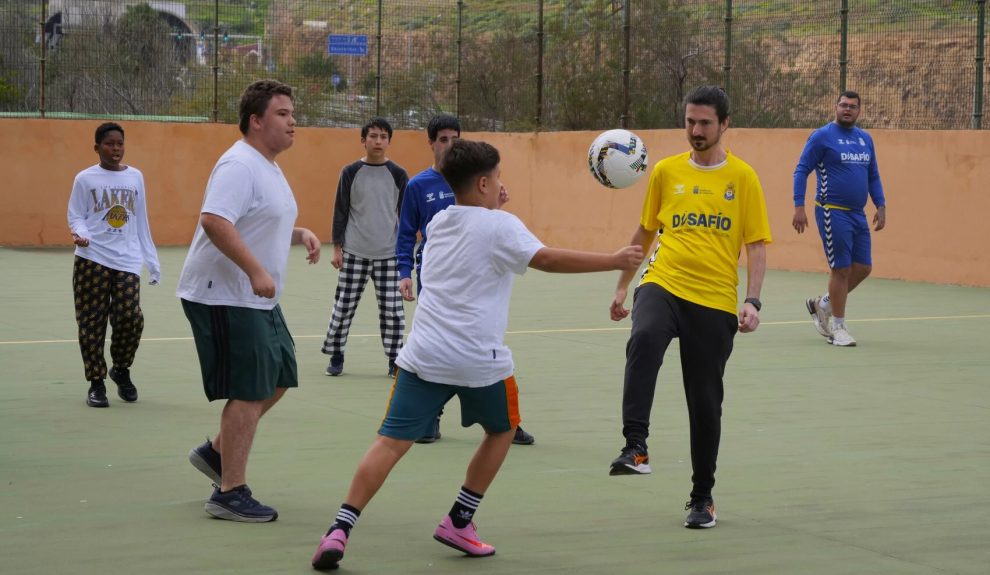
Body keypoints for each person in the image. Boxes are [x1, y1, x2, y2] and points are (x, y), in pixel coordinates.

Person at [310, 139, 643, 570]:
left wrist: (490, 204)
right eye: (498, 178)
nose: (502, 185)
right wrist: (613, 259)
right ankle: (459, 519)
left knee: (390, 444)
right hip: (479, 360)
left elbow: (478, 226)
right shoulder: (502, 228)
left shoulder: (440, 222)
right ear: (485, 182)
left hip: (423, 354)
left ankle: (339, 528)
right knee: (503, 430)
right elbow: (547, 259)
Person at [607, 86, 772, 530]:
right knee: (643, 338)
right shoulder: (665, 172)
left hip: (715, 299)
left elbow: (756, 246)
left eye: (704, 123)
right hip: (664, 282)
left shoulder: (743, 178)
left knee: (704, 403)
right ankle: (635, 446)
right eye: (690, 122)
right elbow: (644, 233)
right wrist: (623, 286)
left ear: (724, 124)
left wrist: (752, 300)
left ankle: (703, 497)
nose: (695, 131)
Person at [177, 79, 321, 523]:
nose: (293, 121)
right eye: (282, 114)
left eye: (293, 114)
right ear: (256, 121)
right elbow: (215, 220)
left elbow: (257, 220)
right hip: (225, 295)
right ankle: (229, 492)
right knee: (249, 387)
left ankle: (216, 454)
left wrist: (299, 234)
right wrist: (255, 270)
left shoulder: (268, 165)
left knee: (280, 374)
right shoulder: (239, 164)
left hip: (254, 298)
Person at [396, 113, 535, 446]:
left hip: (474, 277)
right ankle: (430, 418)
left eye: (455, 138)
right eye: (442, 139)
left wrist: (494, 209)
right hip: (439, 276)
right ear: (431, 143)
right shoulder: (418, 185)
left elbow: (484, 230)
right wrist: (404, 272)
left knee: (481, 341)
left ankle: (507, 424)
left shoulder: (477, 181)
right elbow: (405, 234)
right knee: (438, 345)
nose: (449, 144)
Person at [67, 122, 161, 408]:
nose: (116, 149)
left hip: (127, 260)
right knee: (91, 323)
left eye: (119, 143)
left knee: (131, 317)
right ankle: (96, 383)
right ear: (97, 147)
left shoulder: (135, 178)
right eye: (109, 144)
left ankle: (121, 368)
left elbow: (141, 219)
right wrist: (82, 234)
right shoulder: (85, 179)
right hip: (92, 258)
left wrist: (151, 260)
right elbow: (75, 215)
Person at [793, 90, 886, 347]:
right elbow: (802, 169)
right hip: (831, 210)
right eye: (843, 105)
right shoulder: (822, 136)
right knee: (841, 269)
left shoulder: (865, 139)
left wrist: (881, 204)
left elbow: (873, 176)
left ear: (859, 111)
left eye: (852, 106)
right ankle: (838, 328)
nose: (847, 109)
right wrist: (798, 206)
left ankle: (822, 304)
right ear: (835, 108)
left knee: (864, 267)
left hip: (858, 214)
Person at [321, 117, 408, 378]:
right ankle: (336, 355)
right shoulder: (349, 172)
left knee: (393, 310)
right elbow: (341, 211)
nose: (378, 141)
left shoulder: (399, 174)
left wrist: (405, 255)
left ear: (389, 141)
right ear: (363, 140)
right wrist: (338, 248)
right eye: (373, 136)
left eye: (383, 136)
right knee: (343, 306)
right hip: (355, 252)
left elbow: (405, 216)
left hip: (388, 255)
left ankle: (395, 360)